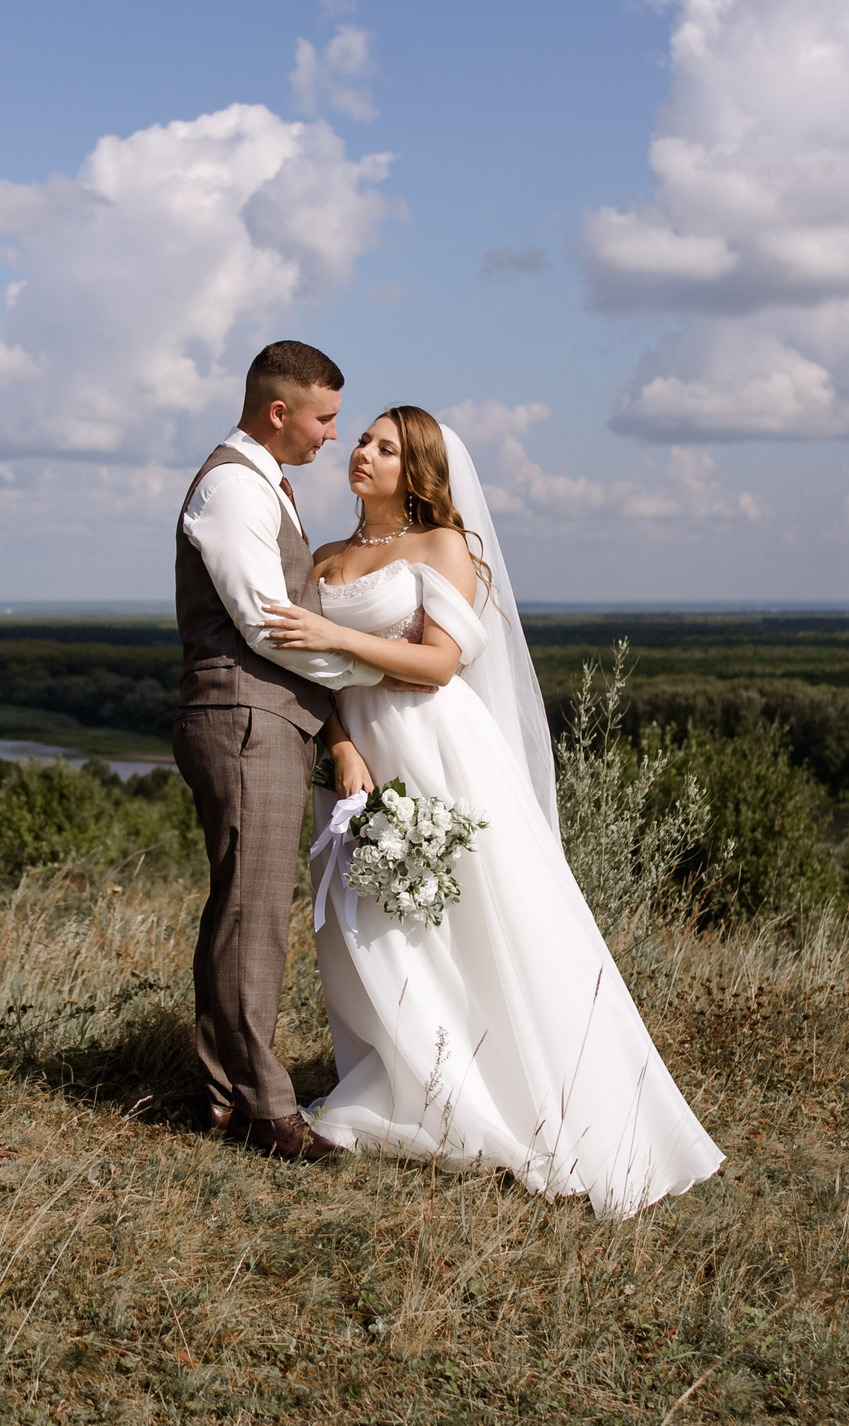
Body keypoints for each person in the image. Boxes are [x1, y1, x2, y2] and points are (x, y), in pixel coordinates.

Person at [263, 405, 723, 1217]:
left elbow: (439, 662)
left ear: (417, 469)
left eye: (386, 447)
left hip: (438, 751)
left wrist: (336, 642)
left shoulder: (444, 546)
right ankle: (408, 1083)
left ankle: (508, 1093)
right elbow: (312, 679)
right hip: (363, 758)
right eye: (363, 440)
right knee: (376, 927)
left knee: (470, 921)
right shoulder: (326, 556)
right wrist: (340, 745)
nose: (363, 452)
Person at [172, 339, 390, 1160]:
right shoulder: (233, 485)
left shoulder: (262, 483)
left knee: (244, 909)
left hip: (260, 719)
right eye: (325, 417)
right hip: (243, 718)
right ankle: (266, 1111)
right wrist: (377, 668)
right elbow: (270, 626)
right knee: (253, 915)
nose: (334, 434)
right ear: (278, 412)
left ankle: (225, 1098)